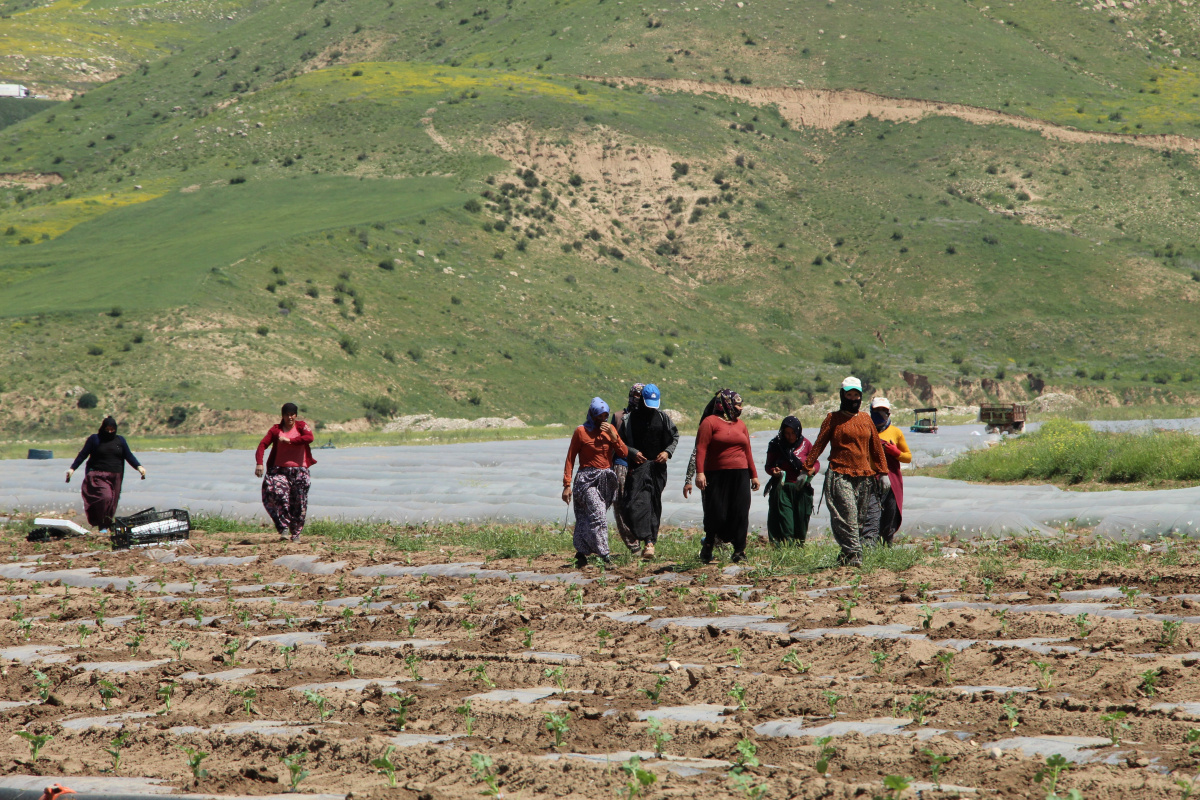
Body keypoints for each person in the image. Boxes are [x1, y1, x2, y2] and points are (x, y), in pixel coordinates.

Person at [802, 376, 888, 568]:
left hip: (864, 477)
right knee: (847, 515)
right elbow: (819, 444)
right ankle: (856, 556)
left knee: (857, 520)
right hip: (839, 474)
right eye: (849, 395)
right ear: (842, 396)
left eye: (856, 395)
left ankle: (845, 555)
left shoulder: (866, 419)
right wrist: (807, 468)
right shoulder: (833, 419)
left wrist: (883, 472)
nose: (853, 399)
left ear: (861, 397)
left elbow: (875, 447)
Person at [694, 389, 760, 563]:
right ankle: (708, 544)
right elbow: (700, 449)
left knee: (740, 512)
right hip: (716, 474)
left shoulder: (741, 425)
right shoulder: (709, 423)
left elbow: (748, 450)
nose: (740, 408)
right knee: (717, 513)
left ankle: (739, 551)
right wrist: (699, 473)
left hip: (740, 474)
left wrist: (753, 475)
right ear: (726, 404)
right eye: (737, 404)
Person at [563, 397, 628, 568]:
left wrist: (614, 437)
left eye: (606, 416)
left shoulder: (610, 430)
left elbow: (623, 453)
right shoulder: (581, 432)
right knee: (599, 516)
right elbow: (570, 458)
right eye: (599, 416)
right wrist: (567, 485)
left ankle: (581, 553)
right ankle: (605, 555)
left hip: (605, 479)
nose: (603, 420)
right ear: (592, 415)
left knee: (589, 517)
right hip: (586, 479)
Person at [618, 383, 679, 560]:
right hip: (637, 468)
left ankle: (649, 542)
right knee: (633, 504)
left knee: (652, 503)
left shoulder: (663, 418)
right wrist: (631, 452)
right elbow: (619, 443)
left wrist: (667, 452)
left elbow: (675, 436)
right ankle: (643, 536)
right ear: (642, 401)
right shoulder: (629, 420)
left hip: (657, 468)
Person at [65, 416, 146, 532]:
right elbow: (83, 454)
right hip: (98, 474)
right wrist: (72, 468)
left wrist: (139, 467)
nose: (110, 432)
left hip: (116, 475)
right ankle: (101, 524)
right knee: (105, 497)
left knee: (113, 501)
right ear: (103, 428)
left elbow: (128, 455)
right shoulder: (95, 439)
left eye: (112, 429)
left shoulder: (120, 440)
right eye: (107, 429)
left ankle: (106, 524)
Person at [255, 403, 316, 542]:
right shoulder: (276, 430)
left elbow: (309, 438)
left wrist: (290, 440)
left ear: (296, 415)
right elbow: (262, 445)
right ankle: (283, 527)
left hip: (300, 470)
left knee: (299, 503)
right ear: (282, 415)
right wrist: (259, 462)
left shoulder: (301, 426)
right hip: (279, 470)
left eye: (292, 414)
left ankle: (296, 534)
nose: (290, 417)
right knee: (279, 495)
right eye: (287, 414)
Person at [861, 398, 911, 547]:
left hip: (892, 481)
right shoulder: (865, 431)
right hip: (870, 480)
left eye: (883, 411)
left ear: (888, 413)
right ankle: (869, 547)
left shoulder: (896, 432)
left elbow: (908, 457)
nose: (879, 414)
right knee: (870, 516)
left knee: (890, 514)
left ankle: (886, 548)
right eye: (876, 411)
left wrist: (896, 452)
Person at [763, 416, 819, 546]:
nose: (790, 436)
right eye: (786, 433)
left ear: (798, 431)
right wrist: (773, 471)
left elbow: (815, 463)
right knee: (786, 520)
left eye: (793, 433)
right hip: (783, 488)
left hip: (801, 488)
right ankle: (786, 546)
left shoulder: (806, 444)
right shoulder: (776, 445)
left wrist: (810, 471)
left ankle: (798, 547)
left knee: (801, 520)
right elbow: (768, 465)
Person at [610, 383, 645, 555]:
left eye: (640, 396)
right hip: (621, 464)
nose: (637, 399)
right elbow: (613, 442)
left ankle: (645, 537)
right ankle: (633, 544)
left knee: (639, 503)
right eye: (635, 395)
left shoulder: (649, 417)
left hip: (641, 465)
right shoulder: (618, 417)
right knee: (621, 504)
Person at [682, 393, 720, 499]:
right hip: (712, 475)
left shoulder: (736, 424)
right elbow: (697, 452)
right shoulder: (708, 425)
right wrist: (688, 480)